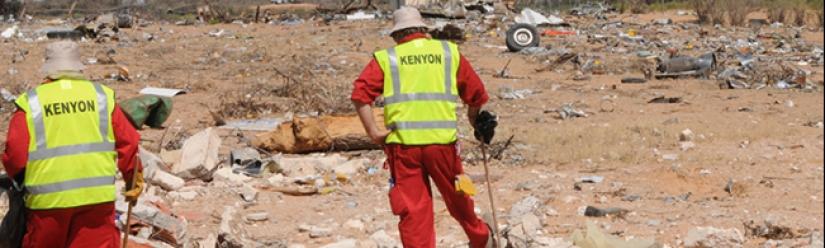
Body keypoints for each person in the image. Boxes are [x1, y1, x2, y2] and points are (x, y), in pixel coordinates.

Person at [350, 7, 496, 248]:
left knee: (413, 209)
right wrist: (473, 119)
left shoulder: (387, 58)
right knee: (458, 197)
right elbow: (476, 94)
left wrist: (374, 133)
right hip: (442, 144)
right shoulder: (448, 52)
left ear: (397, 34)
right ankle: (481, 238)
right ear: (423, 29)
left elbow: (360, 95)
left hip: (404, 147)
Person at [1, 41, 144, 248]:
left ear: (49, 68)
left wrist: (20, 181)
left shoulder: (31, 103)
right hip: (97, 201)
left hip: (47, 205)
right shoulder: (101, 97)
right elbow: (129, 143)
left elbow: (14, 155)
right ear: (78, 67)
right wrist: (133, 180)